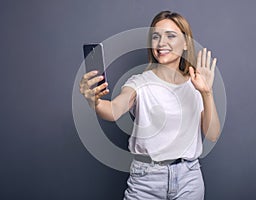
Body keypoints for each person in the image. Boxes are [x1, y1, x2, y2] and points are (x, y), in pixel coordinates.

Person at [80, 10, 220, 200]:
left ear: (186, 42)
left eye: (171, 36)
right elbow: (113, 111)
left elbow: (212, 134)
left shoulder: (196, 83)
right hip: (146, 180)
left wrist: (206, 92)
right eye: (156, 36)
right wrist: (94, 101)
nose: (161, 43)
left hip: (189, 179)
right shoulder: (138, 83)